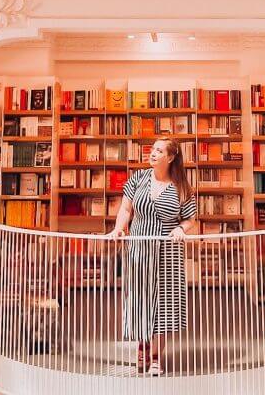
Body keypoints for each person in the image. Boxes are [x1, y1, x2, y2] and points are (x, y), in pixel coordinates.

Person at [108, 138, 197, 376]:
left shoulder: (182, 187)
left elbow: (190, 220)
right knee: (140, 301)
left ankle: (156, 357)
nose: (153, 153)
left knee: (164, 305)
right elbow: (126, 209)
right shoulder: (138, 178)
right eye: (152, 150)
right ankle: (142, 348)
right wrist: (119, 228)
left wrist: (180, 229)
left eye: (159, 151)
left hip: (168, 253)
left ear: (170, 157)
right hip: (139, 250)